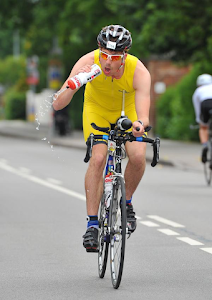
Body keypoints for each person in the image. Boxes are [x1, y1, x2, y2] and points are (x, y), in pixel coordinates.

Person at [53, 25, 151, 252]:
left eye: (114, 57)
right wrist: (74, 83)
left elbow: (144, 116)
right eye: (104, 55)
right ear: (99, 51)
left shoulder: (138, 71)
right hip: (96, 111)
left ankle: (126, 202)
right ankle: (93, 225)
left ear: (124, 56)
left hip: (127, 113)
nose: (107, 62)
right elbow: (58, 103)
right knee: (98, 158)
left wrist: (139, 126)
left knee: (137, 156)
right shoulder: (88, 61)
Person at [192, 73, 212, 163]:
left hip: (205, 104)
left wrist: (199, 121)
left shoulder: (198, 91)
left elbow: (198, 108)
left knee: (203, 128)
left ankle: (205, 145)